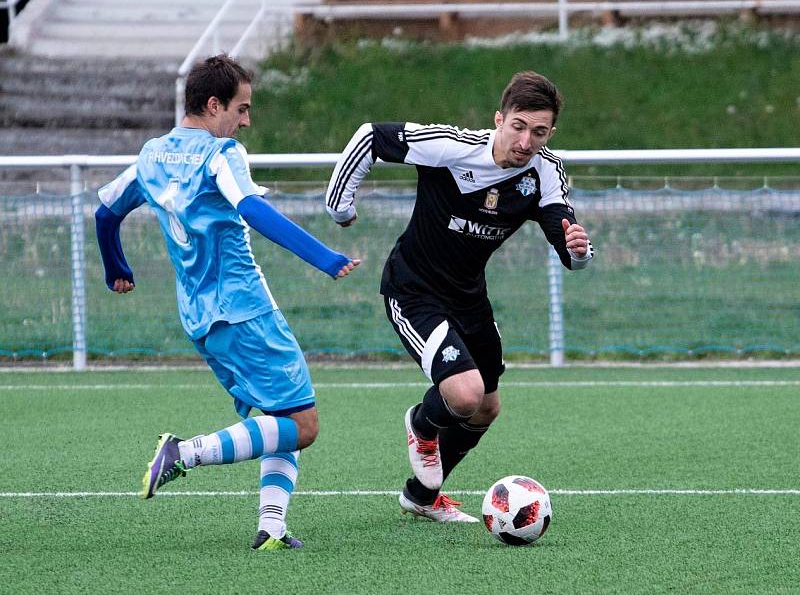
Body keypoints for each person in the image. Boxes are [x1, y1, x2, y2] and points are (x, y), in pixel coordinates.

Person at [96, 54, 360, 550]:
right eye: (241, 109)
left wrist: (117, 268)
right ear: (213, 104)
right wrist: (324, 257)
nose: (245, 121)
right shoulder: (222, 153)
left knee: (277, 420)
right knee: (302, 425)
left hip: (199, 318)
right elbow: (252, 208)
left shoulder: (152, 155)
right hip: (245, 310)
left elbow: (105, 212)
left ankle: (272, 528)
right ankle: (184, 453)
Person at [325, 71, 592, 523]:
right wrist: (340, 207)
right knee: (464, 395)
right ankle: (421, 424)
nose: (527, 141)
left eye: (540, 132)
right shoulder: (450, 146)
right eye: (519, 127)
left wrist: (578, 251)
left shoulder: (545, 172)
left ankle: (420, 496)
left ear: (551, 133)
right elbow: (370, 137)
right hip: (413, 290)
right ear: (499, 120)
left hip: (468, 297)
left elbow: (565, 239)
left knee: (486, 406)